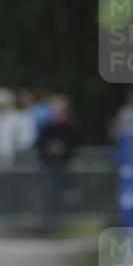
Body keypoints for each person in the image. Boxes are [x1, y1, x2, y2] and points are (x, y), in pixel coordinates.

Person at [36, 95, 78, 237]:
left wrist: (62, 150)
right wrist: (49, 150)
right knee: (49, 195)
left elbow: (74, 147)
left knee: (62, 196)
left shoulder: (70, 128)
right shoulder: (47, 128)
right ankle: (49, 224)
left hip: (63, 167)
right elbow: (39, 147)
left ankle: (60, 224)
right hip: (48, 167)